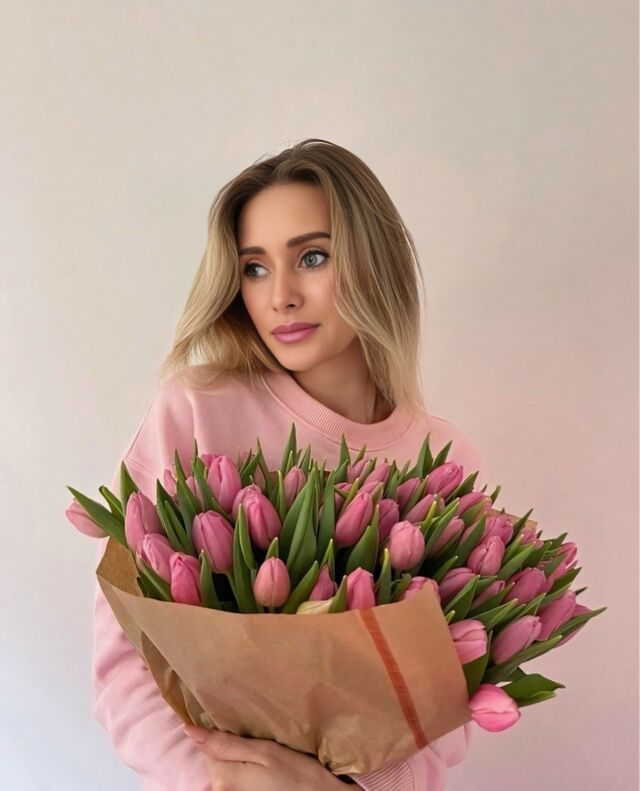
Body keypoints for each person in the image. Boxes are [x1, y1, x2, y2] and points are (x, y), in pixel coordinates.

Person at [83, 138, 486, 790]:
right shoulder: (195, 409)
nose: (281, 296)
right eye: (255, 267)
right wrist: (219, 780)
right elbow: (125, 659)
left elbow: (451, 697)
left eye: (313, 257)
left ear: (375, 261)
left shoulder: (441, 460)